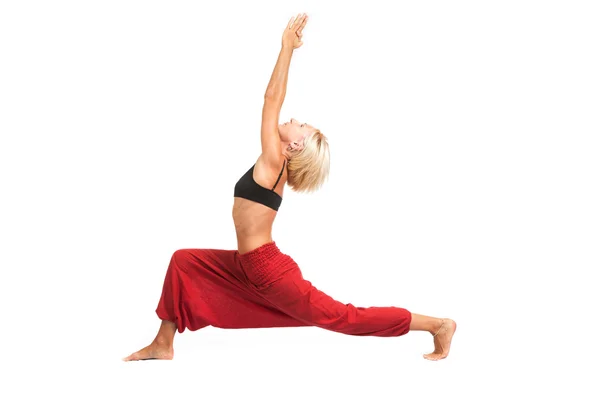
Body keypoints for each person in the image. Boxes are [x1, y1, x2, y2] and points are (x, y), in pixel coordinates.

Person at [123, 13, 456, 362]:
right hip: (248, 265)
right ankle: (163, 343)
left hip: (267, 271)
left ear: (295, 146)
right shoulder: (274, 165)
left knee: (343, 316)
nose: (294, 120)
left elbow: (271, 99)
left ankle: (437, 325)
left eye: (302, 125)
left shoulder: (273, 162)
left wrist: (287, 48)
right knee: (184, 262)